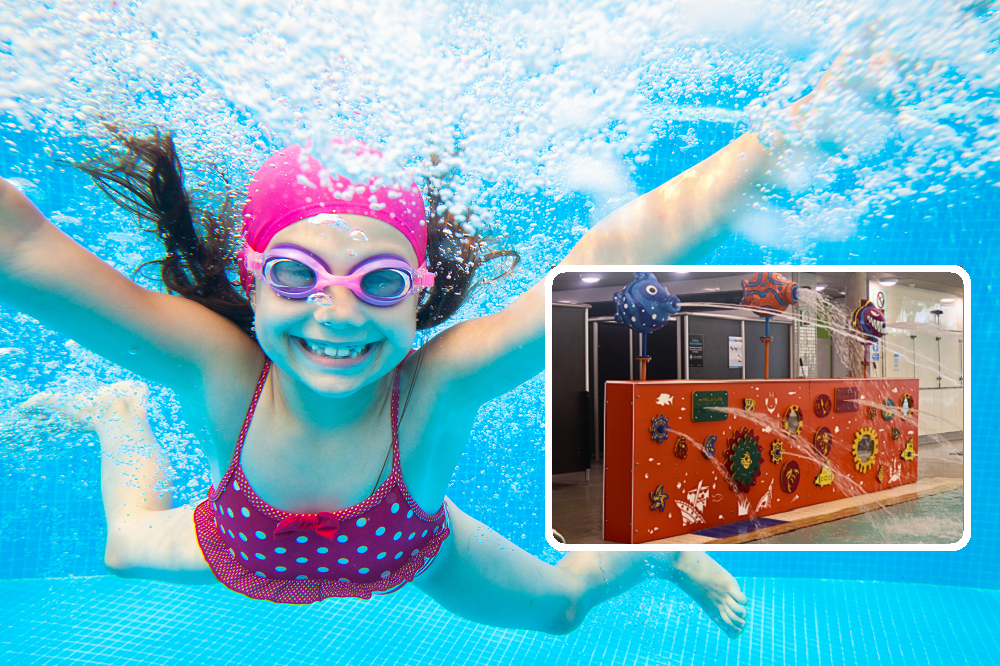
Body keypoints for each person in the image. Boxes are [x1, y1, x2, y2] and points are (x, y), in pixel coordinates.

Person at [1, 127, 775, 637]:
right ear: (253, 279)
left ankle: (657, 555)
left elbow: (606, 259)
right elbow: (27, 251)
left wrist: (790, 137)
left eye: (377, 282)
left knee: (563, 610)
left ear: (417, 294)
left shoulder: (436, 388)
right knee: (117, 545)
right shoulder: (220, 367)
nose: (336, 314)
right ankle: (117, 411)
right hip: (237, 547)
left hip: (411, 548)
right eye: (297, 275)